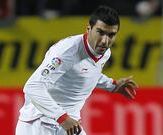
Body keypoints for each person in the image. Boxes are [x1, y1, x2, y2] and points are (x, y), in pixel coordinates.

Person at [16, 5, 138, 135]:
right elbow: (33, 86)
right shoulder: (67, 51)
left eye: (111, 35)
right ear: (89, 29)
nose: (105, 41)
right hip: (39, 123)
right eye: (100, 32)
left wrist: (113, 85)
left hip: (69, 124)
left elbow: (85, 72)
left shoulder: (105, 53)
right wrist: (62, 117)